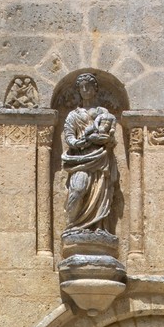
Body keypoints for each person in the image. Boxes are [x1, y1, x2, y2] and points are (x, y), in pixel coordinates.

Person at [62, 73, 117, 232]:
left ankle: (98, 227)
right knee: (78, 189)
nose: (85, 90)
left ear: (95, 88)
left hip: (101, 157)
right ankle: (72, 225)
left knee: (100, 191)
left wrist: (105, 138)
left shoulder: (104, 114)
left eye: (89, 86)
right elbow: (69, 136)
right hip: (80, 158)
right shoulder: (74, 115)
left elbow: (111, 136)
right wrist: (80, 142)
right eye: (82, 87)